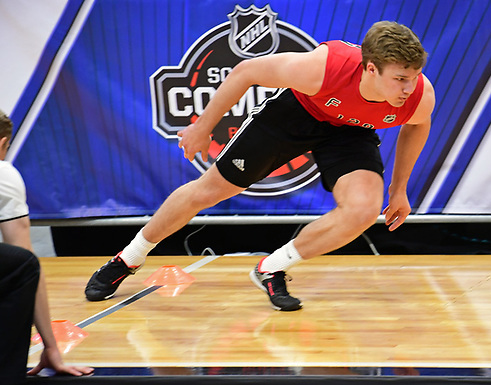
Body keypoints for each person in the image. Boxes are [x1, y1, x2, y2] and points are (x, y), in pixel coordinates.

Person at [85, 21, 435, 311]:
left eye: (414, 77)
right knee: (210, 191)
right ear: (370, 68)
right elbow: (246, 71)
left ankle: (271, 268)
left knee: (362, 210)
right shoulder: (322, 68)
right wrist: (201, 127)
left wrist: (399, 188)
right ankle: (128, 258)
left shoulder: (420, 95)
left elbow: (417, 126)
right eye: (400, 79)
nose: (408, 88)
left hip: (349, 131)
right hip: (295, 115)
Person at [0, 111, 94, 384]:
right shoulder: (3, 172)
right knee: (22, 265)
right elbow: (26, 257)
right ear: (2, 143)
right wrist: (51, 347)